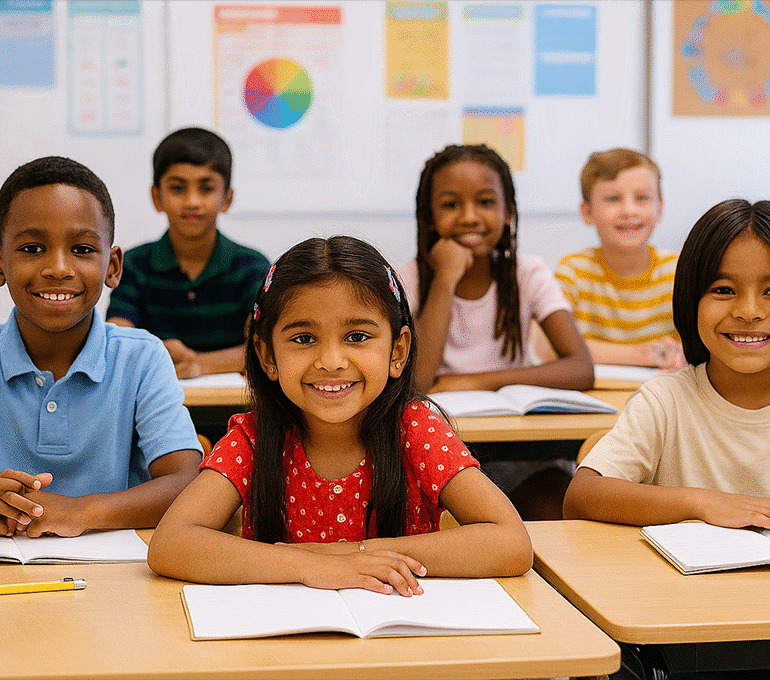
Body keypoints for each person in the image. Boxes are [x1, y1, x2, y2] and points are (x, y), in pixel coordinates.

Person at [148, 236, 532, 594]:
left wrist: (354, 556)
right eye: (303, 339)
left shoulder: (415, 429)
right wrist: (309, 566)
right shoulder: (255, 436)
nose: (331, 362)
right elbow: (172, 543)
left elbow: (510, 543)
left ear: (397, 352)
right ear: (267, 357)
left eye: (357, 337)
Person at [0, 156, 202, 538]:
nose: (58, 268)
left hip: (119, 577)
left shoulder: (141, 358)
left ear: (112, 267)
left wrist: (78, 512)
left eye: (82, 249)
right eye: (31, 248)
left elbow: (188, 481)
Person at [396, 144, 593, 520]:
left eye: (485, 202)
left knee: (556, 504)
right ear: (429, 218)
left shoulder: (527, 272)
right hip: (437, 457)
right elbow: (416, 382)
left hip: (521, 460)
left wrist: (474, 381)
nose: (470, 217)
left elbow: (580, 367)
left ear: (508, 213)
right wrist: (446, 277)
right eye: (451, 205)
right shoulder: (407, 280)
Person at [564, 199, 770, 529]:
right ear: (691, 299)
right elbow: (582, 495)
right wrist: (703, 502)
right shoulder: (665, 401)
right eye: (723, 289)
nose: (749, 310)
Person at [106, 127, 269, 378]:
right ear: (156, 197)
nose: (192, 201)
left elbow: (263, 348)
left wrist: (199, 364)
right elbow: (116, 342)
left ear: (227, 199)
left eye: (206, 188)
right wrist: (158, 354)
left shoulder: (251, 267)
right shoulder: (135, 265)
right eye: (178, 188)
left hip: (231, 408)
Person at [551, 148, 685, 370]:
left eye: (642, 198)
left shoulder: (679, 271)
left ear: (659, 209)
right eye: (613, 199)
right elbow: (551, 346)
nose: (629, 210)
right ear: (587, 212)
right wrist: (643, 355)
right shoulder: (573, 271)